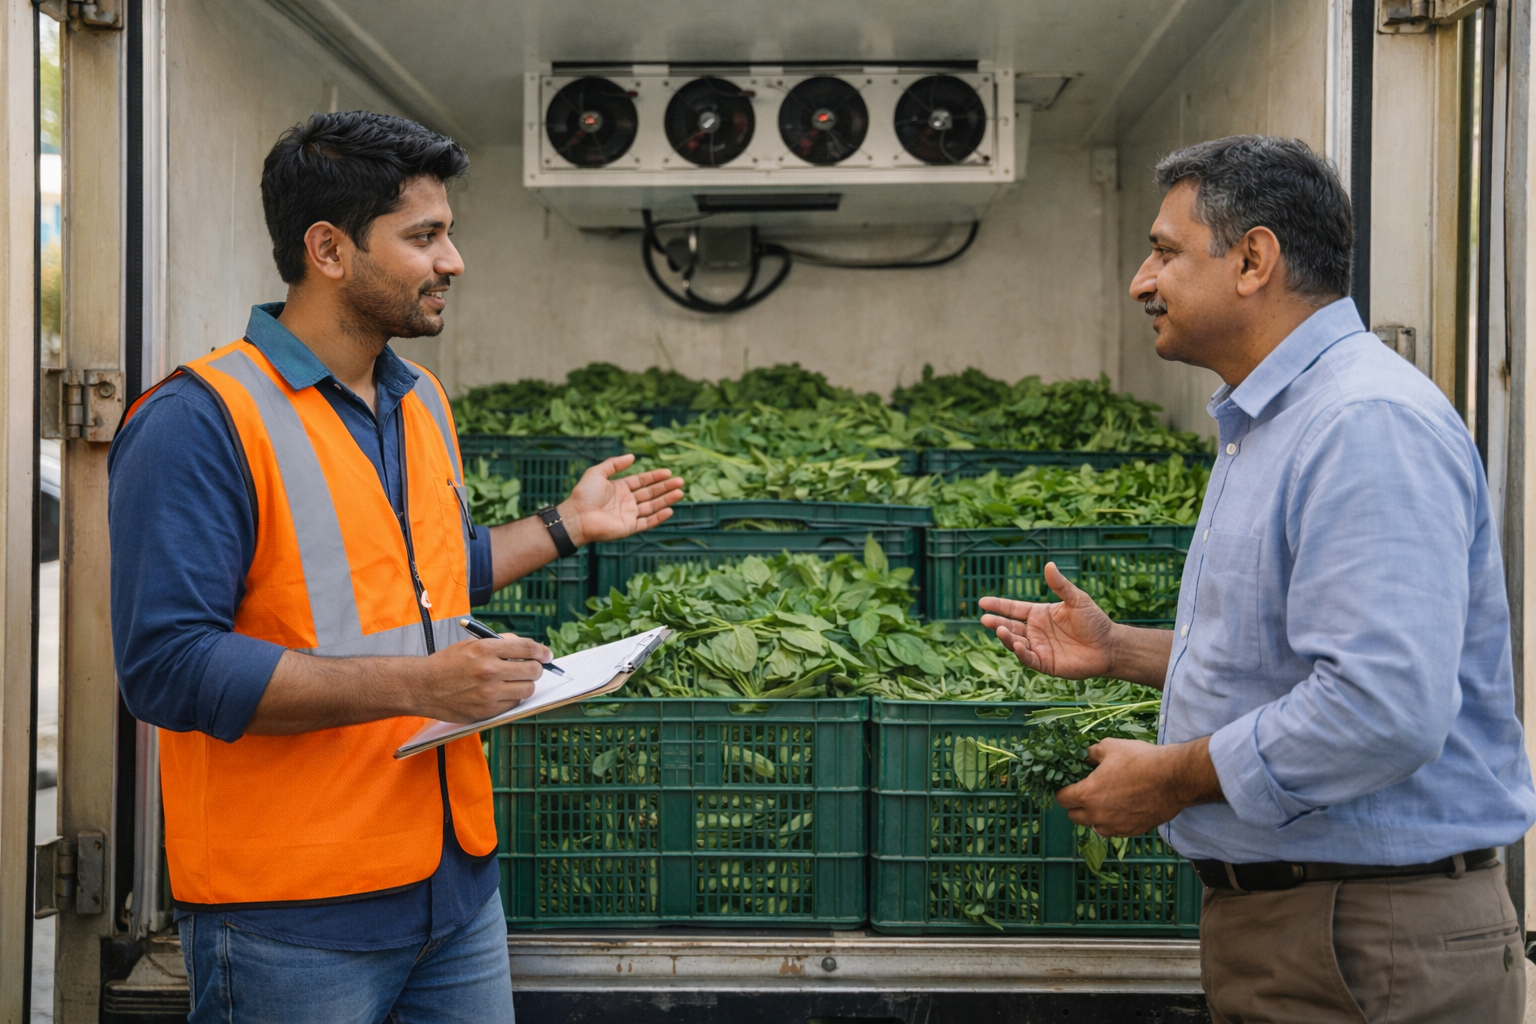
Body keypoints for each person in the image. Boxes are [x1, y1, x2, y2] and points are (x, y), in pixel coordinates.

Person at [108, 111, 684, 1024]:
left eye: (446, 233)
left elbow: (425, 582)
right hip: (292, 918)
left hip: (452, 895)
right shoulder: (198, 421)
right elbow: (167, 668)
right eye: (425, 237)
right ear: (329, 250)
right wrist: (423, 684)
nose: (452, 261)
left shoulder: (417, 402)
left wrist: (566, 525)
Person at [980, 135, 1536, 1023]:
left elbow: (1380, 707)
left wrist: (1173, 779)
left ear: (1253, 259)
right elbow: (1299, 659)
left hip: (1363, 937)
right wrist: (1124, 650)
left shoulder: (1363, 424)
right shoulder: (1276, 420)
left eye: (1164, 251)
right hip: (1320, 928)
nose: (1141, 280)